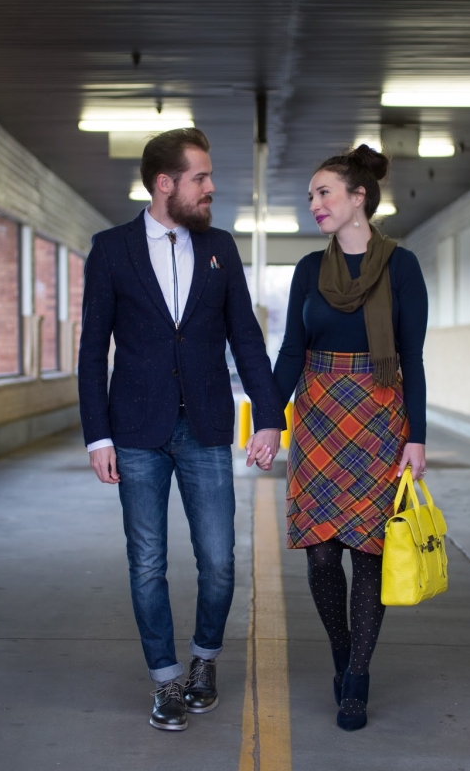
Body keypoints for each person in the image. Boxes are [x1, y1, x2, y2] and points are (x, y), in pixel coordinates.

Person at [78, 127, 285, 732]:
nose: (211, 187)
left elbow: (245, 336)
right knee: (147, 562)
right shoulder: (111, 249)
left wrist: (269, 417)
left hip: (206, 426)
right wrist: (98, 435)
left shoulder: (219, 246)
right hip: (136, 429)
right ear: (165, 183)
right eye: (200, 177)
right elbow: (94, 350)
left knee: (219, 561)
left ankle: (205, 661)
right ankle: (167, 678)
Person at [273, 144, 428, 731]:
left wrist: (416, 434)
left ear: (358, 198)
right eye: (312, 195)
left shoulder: (401, 266)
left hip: (380, 414)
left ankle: (357, 674)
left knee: (368, 551)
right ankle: (341, 651)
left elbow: (410, 355)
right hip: (317, 416)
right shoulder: (309, 270)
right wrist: (268, 414)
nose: (313, 203)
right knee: (319, 555)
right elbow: (292, 349)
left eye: (323, 193)